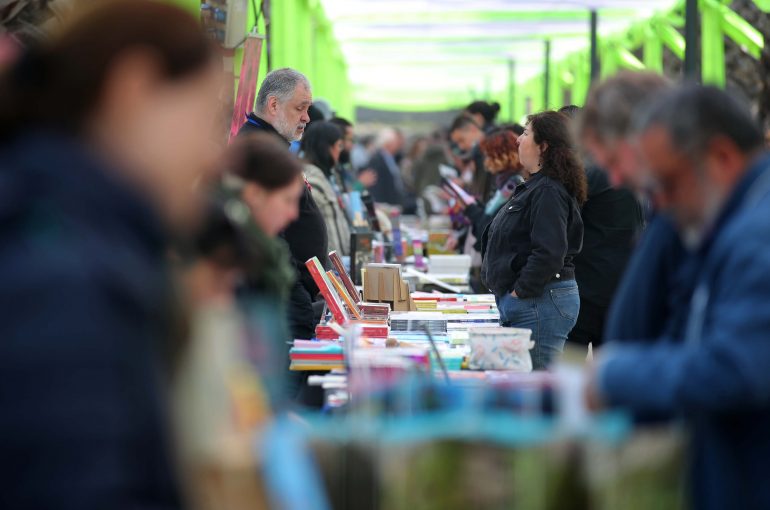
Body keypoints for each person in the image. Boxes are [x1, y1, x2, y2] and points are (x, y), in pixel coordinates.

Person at [0, 2, 223, 508]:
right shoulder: (60, 277)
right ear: (134, 86)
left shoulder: (60, 228)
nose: (211, 155)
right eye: (203, 115)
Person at [587, 85, 770, 510]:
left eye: (668, 184)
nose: (662, 205)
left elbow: (735, 368)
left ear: (721, 158)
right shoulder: (735, 223)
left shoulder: (754, 237)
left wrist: (616, 375)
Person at [577, 71, 693, 343]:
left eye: (615, 160)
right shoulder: (668, 216)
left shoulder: (738, 227)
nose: (615, 179)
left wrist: (614, 373)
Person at [481, 111, 586, 369]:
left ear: (544, 146)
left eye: (526, 133)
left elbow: (550, 251)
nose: (518, 139)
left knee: (535, 387)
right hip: (533, 301)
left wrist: (520, 292)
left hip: (539, 301)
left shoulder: (548, 190)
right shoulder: (537, 186)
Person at [238, 68, 329, 345]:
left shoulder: (272, 147)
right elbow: (268, 237)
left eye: (308, 109)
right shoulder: (259, 151)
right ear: (274, 105)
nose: (306, 118)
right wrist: (298, 301)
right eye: (300, 108)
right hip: (283, 308)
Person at [559, 105, 644, 349]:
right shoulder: (617, 168)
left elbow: (561, 222)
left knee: (571, 369)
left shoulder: (588, 172)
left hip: (588, 290)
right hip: (615, 285)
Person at [301, 121, 352, 256]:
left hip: (337, 266)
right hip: (329, 268)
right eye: (339, 146)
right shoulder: (313, 182)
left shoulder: (326, 177)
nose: (340, 151)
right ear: (327, 148)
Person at [366, 127, 406, 207]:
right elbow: (376, 186)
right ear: (388, 143)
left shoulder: (391, 158)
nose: (398, 145)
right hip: (385, 205)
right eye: (395, 142)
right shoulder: (377, 160)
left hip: (394, 203)